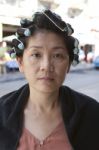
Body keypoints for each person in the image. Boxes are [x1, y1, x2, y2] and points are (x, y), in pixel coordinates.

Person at [0, 9, 99, 150]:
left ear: (69, 64)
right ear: (21, 62)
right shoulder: (2, 113)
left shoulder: (91, 114)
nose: (46, 66)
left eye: (57, 55)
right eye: (36, 54)